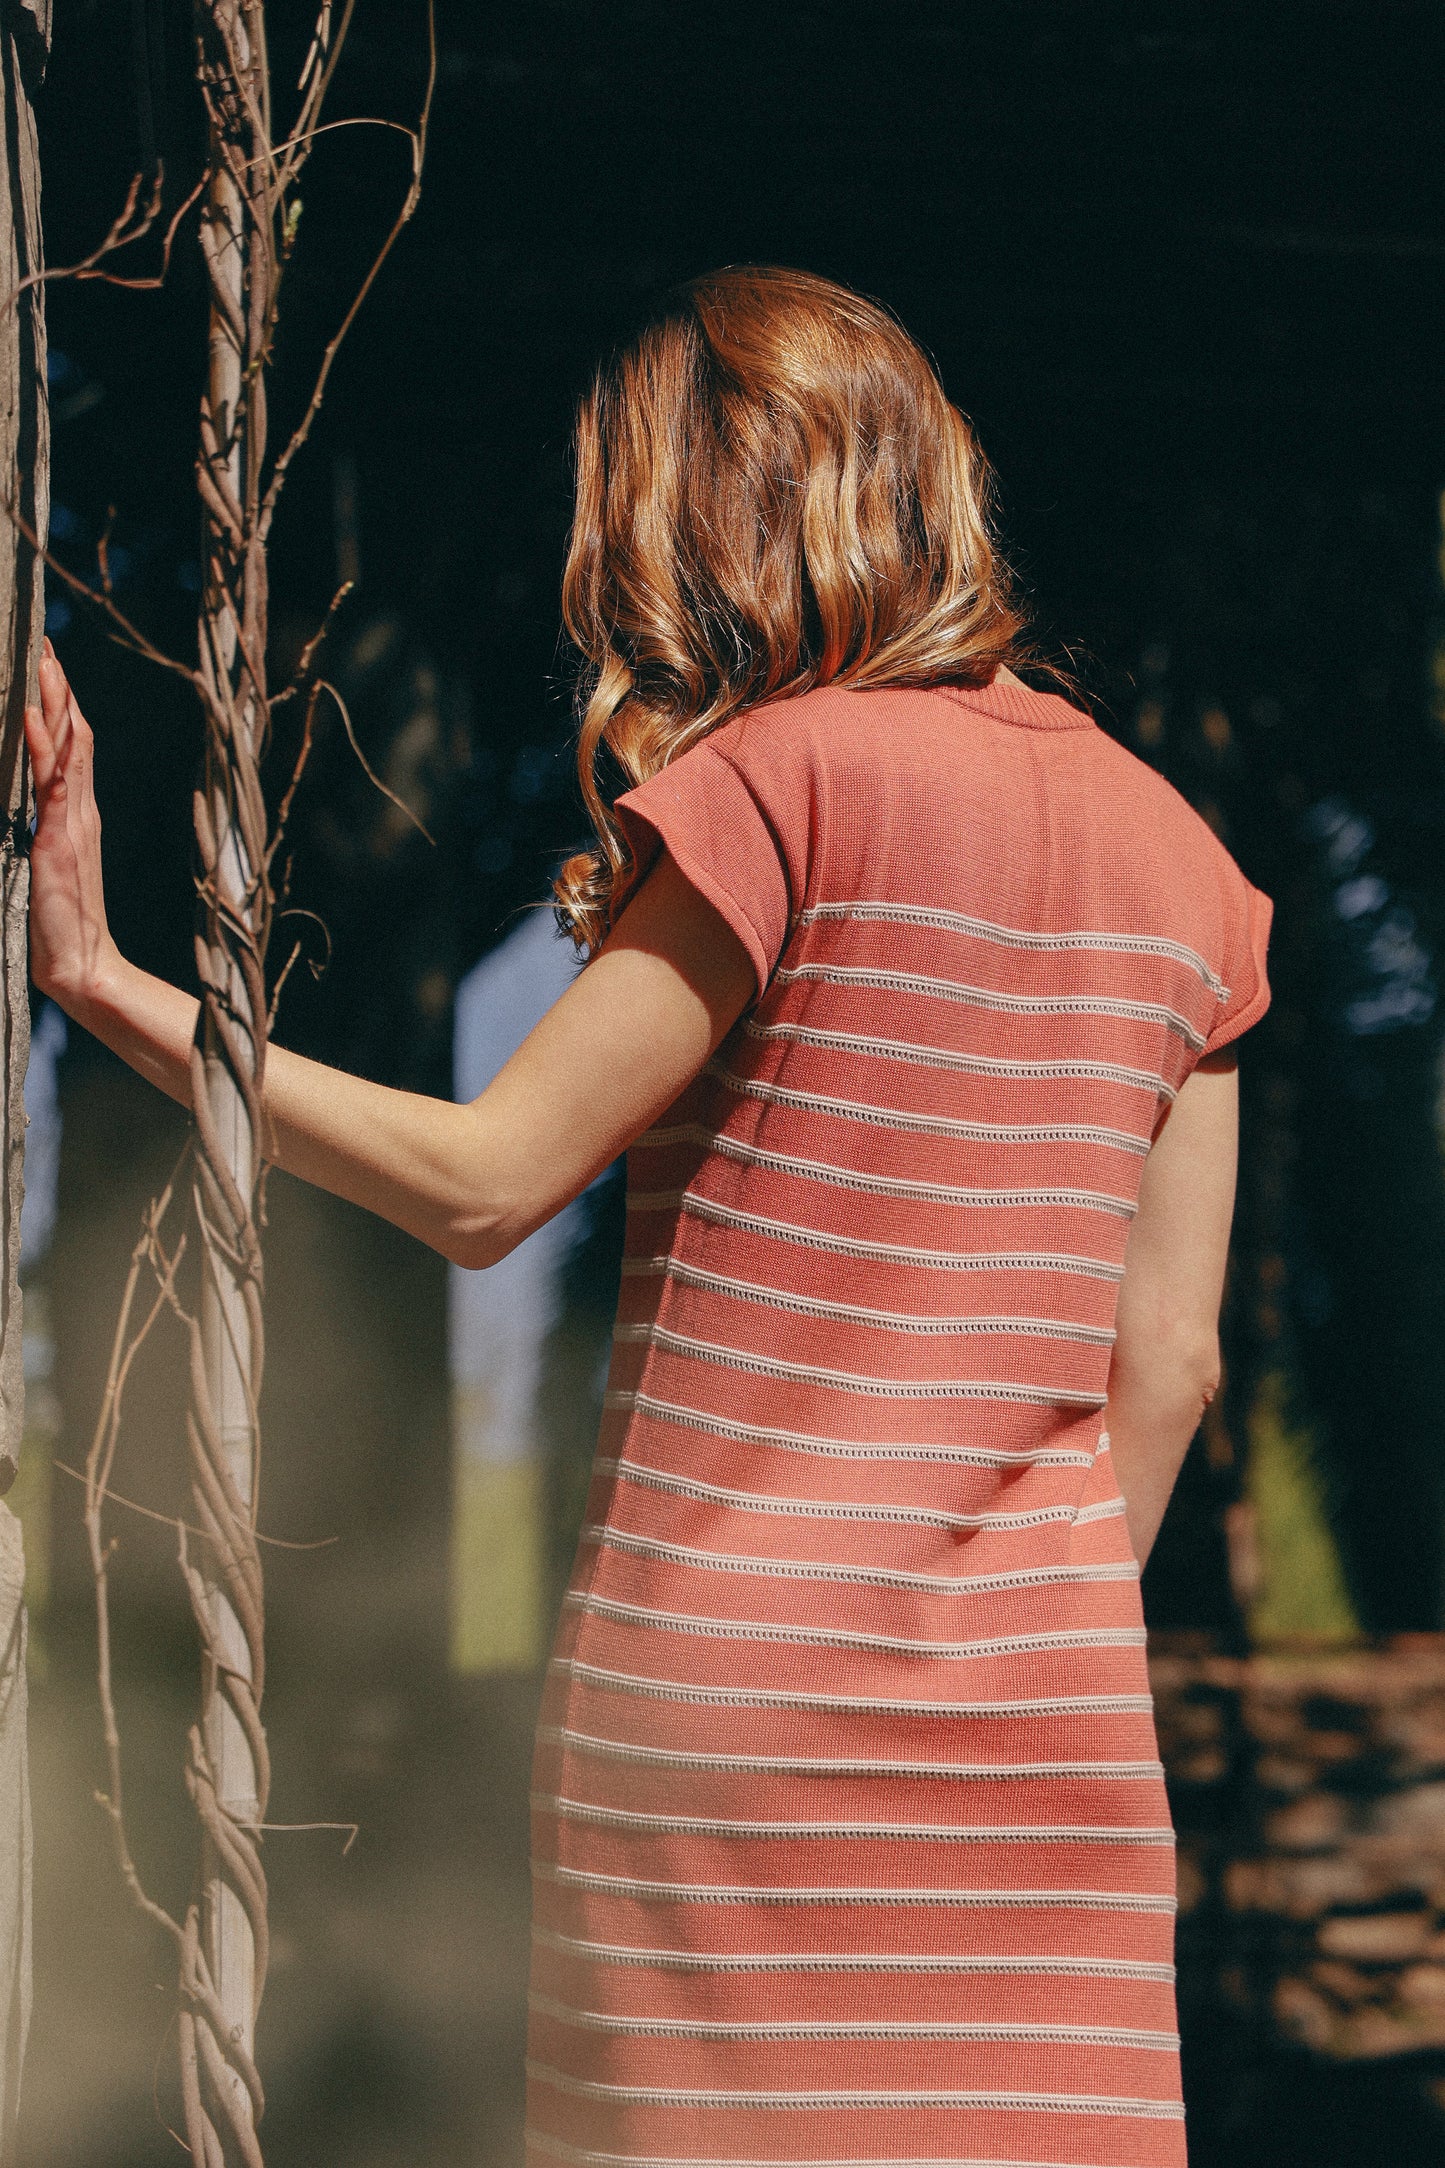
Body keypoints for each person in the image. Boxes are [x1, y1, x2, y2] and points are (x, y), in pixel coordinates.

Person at [26, 266, 1269, 2167]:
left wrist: (111, 984)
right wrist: (1000, 1626)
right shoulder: (1193, 870)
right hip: (1045, 1750)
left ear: (708, 512)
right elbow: (1162, 1364)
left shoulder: (784, 781)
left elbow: (484, 1182)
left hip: (731, 1711)